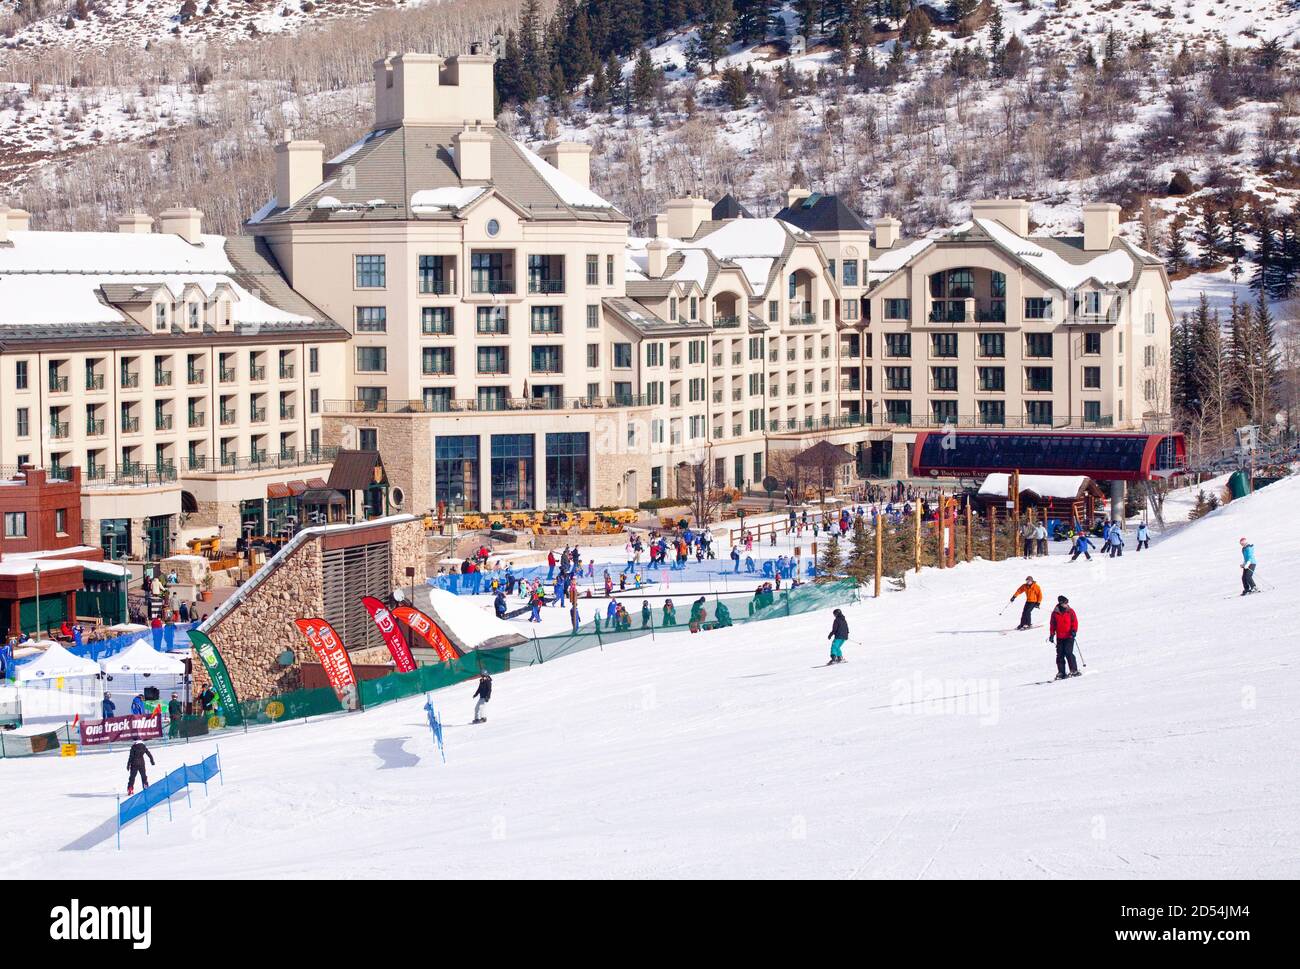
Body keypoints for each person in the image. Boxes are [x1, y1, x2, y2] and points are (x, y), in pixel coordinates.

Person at [1047, 595, 1080, 680]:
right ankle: (1061, 672)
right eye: (1065, 603)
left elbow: (1074, 622)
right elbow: (1052, 624)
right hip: (1060, 637)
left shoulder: (1070, 611)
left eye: (1067, 603)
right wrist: (1051, 634)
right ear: (1061, 603)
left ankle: (1074, 670)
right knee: (1060, 654)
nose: (1066, 604)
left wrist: (1074, 631)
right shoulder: (1055, 613)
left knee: (1068, 652)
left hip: (1069, 636)